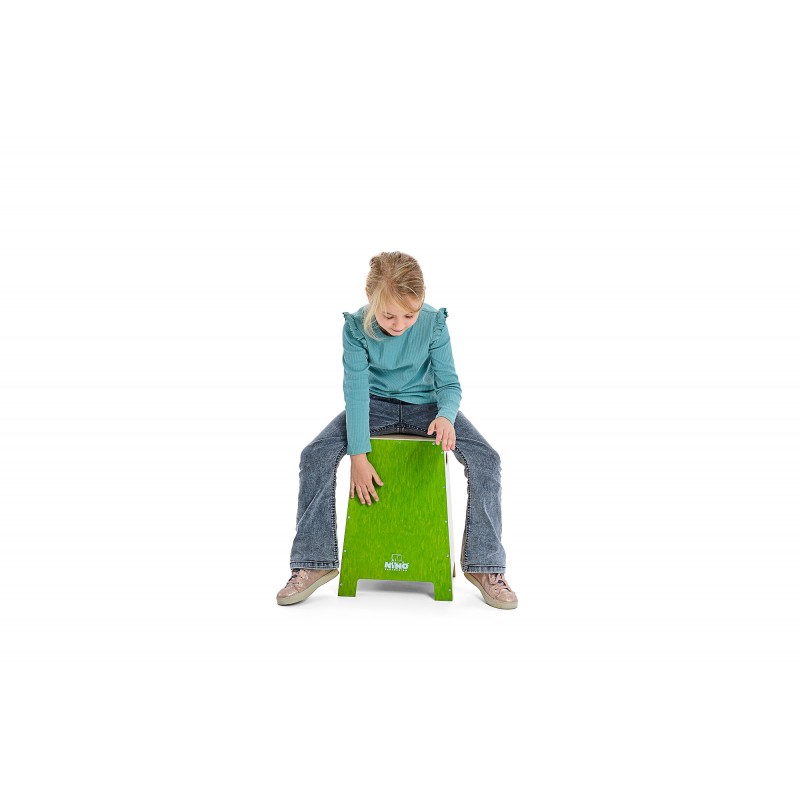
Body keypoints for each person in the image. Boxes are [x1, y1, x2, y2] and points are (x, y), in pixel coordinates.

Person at [276, 251, 517, 610]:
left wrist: (446, 416)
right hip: (375, 405)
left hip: (427, 408)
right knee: (315, 454)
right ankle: (314, 561)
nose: (400, 324)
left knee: (487, 458)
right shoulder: (355, 328)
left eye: (410, 315)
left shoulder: (434, 323)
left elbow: (449, 383)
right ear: (370, 298)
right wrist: (359, 454)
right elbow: (356, 393)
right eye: (389, 315)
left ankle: (485, 566)